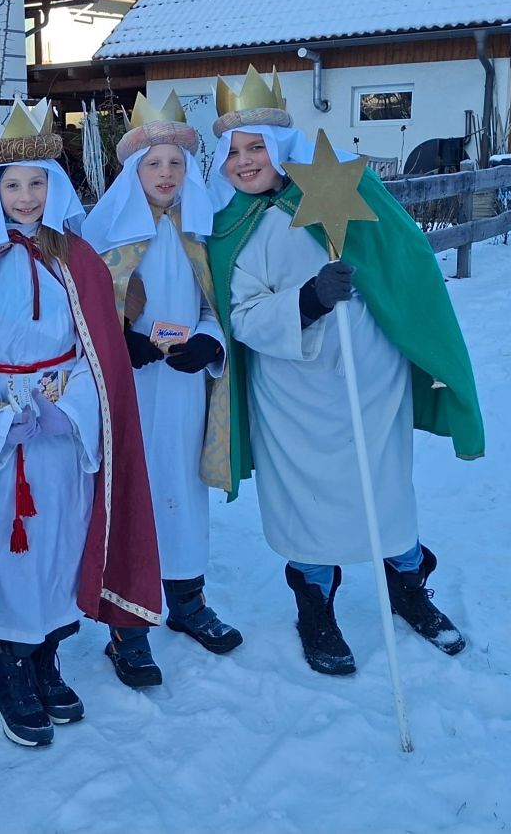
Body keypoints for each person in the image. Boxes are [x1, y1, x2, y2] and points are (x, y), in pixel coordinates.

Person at [206, 66, 485, 676]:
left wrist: (379, 297)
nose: (244, 162)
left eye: (256, 148)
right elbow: (242, 316)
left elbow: (406, 261)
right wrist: (308, 299)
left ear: (280, 147)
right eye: (233, 153)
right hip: (291, 395)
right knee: (307, 505)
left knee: (385, 493)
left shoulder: (346, 194)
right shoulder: (233, 227)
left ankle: (409, 588)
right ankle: (316, 607)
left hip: (372, 382)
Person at [0, 100, 161, 747]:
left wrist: (71, 410)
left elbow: (98, 351)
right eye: (13, 184)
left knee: (62, 541)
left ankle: (48, 660)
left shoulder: (78, 259)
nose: (26, 196)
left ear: (54, 186)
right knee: (11, 553)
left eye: (37, 183)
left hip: (64, 434)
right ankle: (12, 670)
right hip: (1, 438)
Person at [82, 91, 241, 688]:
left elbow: (212, 306)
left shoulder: (200, 232)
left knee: (183, 492)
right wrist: (119, 343)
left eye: (176, 163)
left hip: (182, 390)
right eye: (154, 163)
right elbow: (85, 313)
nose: (166, 173)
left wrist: (208, 342)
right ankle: (128, 626)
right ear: (134, 171)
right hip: (128, 391)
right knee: (133, 493)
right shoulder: (104, 238)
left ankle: (188, 601)